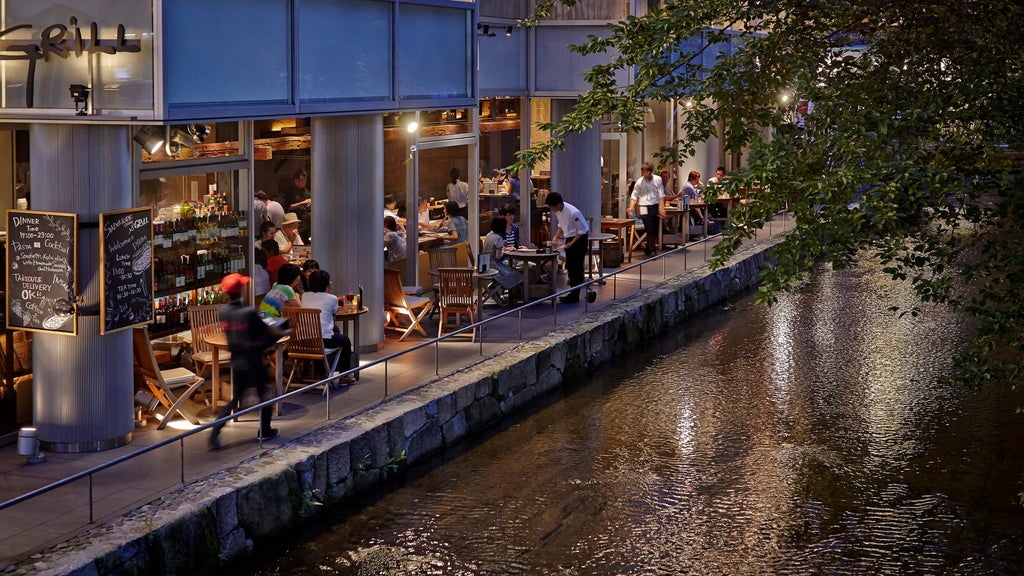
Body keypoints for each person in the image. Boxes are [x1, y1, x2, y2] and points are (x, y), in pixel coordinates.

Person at [209, 273, 292, 450]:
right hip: (253, 359)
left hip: (237, 360)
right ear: (241, 291)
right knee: (265, 395)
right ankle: (265, 430)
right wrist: (283, 332)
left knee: (234, 399)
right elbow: (267, 330)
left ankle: (214, 433)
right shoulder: (249, 312)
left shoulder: (224, 312)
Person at [301, 269, 356, 385]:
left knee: (319, 336)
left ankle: (321, 373)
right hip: (323, 341)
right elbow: (335, 311)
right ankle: (344, 376)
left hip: (304, 341)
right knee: (345, 341)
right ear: (326, 284)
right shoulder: (331, 298)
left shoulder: (304, 296)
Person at [545, 192, 588, 304]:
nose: (551, 209)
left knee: (576, 267)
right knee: (570, 265)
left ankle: (575, 295)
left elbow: (582, 230)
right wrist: (555, 237)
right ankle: (573, 293)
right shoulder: (558, 211)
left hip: (579, 239)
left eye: (551, 207)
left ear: (558, 204)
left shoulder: (573, 212)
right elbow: (561, 225)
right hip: (569, 238)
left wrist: (571, 243)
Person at [627, 162, 666, 256]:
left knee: (655, 228)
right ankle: (652, 251)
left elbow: (661, 194)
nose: (644, 174)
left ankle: (648, 248)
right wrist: (631, 207)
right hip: (643, 206)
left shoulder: (658, 179)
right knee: (649, 227)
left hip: (654, 205)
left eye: (646, 172)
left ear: (651, 172)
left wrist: (661, 207)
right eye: (643, 172)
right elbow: (634, 196)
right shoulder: (639, 182)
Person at [482, 216, 523, 298]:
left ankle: (496, 290)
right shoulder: (498, 238)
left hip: (485, 265)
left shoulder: (488, 235)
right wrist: (503, 249)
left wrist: (501, 246)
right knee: (516, 273)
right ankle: (502, 292)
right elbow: (498, 256)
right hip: (494, 266)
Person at [281, 167, 312, 243]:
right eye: (302, 180)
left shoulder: (305, 191)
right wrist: (302, 203)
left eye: (305, 180)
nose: (304, 182)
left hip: (306, 223)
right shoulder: (291, 192)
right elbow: (288, 207)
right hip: (297, 223)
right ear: (296, 181)